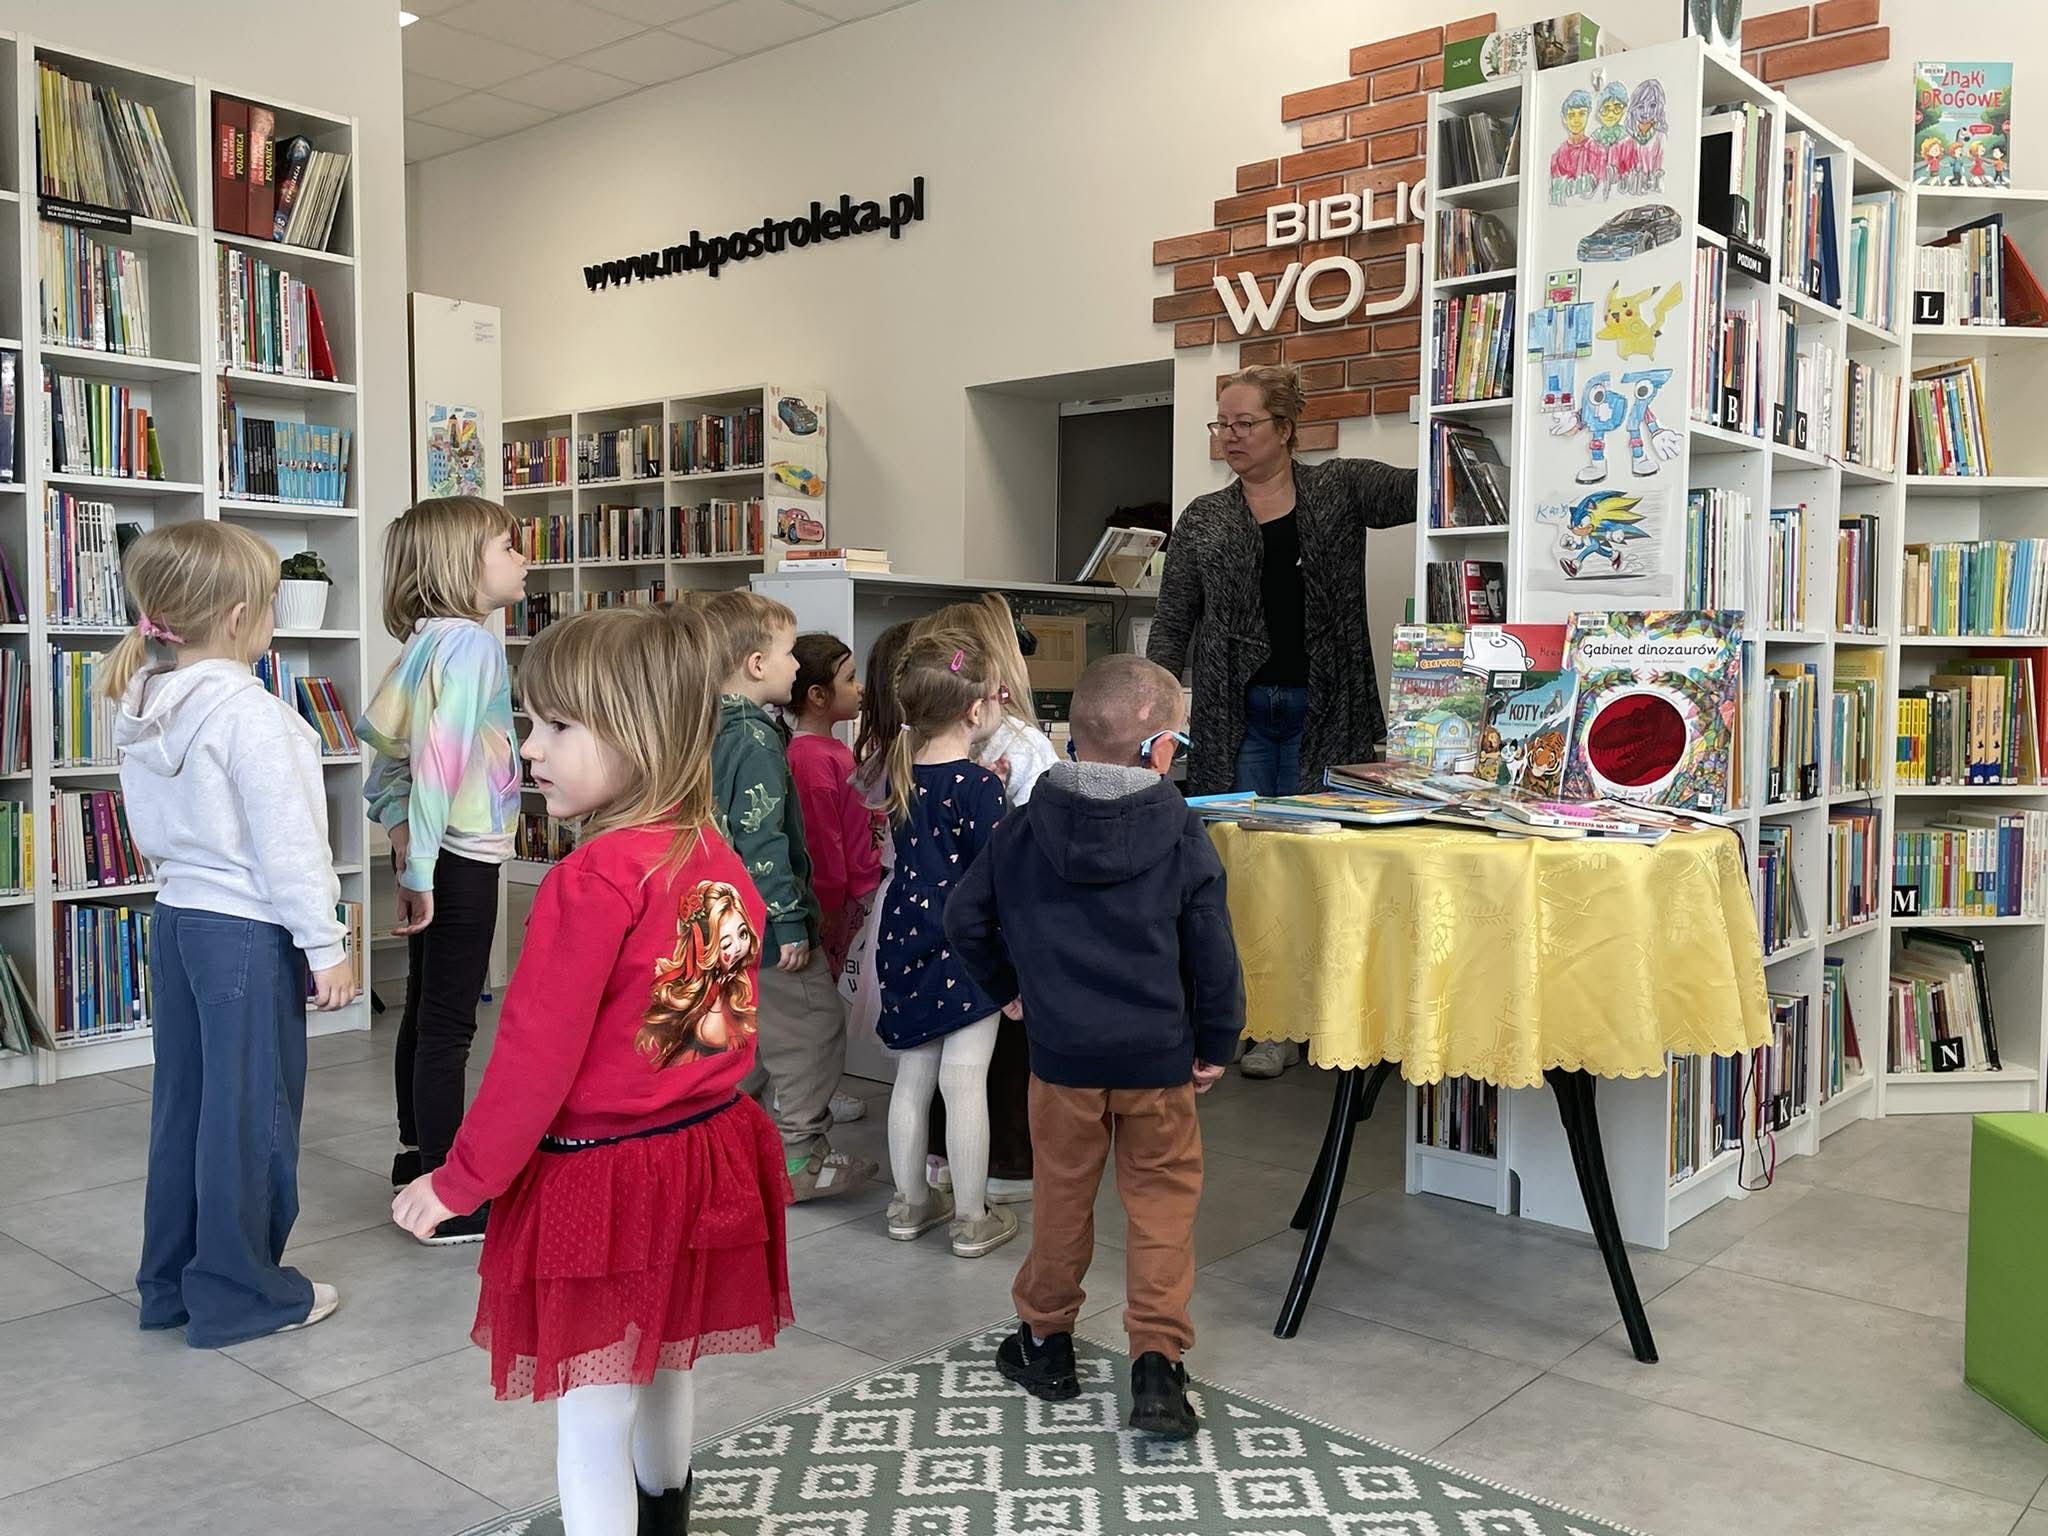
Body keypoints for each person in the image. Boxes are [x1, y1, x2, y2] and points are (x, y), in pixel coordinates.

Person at [392, 606, 790, 1536]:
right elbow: (718, 1024)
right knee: (667, 1358)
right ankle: (666, 1518)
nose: (530, 748)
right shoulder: (715, 857)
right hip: (704, 1153)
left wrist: (459, 1180)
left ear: (642, 733)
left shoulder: (593, 879)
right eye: (531, 723)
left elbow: (531, 1062)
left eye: (558, 726)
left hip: (608, 1178)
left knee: (592, 1403)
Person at [944, 654, 1243, 1438]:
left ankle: (1046, 1345)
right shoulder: (1181, 830)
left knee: (1062, 1199)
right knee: (1162, 1207)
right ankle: (1158, 1369)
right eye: (1179, 738)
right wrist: (1217, 1040)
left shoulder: (1023, 826)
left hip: (1062, 1062)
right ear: (1157, 749)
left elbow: (963, 917)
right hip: (1158, 1062)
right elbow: (1212, 948)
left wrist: (1007, 986)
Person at [111, 522, 361, 1346]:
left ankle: (171, 1284)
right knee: (252, 1117)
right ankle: (240, 1294)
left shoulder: (143, 705)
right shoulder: (255, 717)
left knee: (185, 1108)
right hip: (246, 935)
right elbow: (289, 846)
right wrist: (325, 944)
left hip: (177, 921)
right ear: (242, 616)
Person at [1146, 363, 1414, 1078]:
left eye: (1245, 423)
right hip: (1235, 721)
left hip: (1326, 714)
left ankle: (1293, 1023)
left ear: (1287, 428)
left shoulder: (1340, 488)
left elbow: (1424, 489)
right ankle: (1236, 1014)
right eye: (1221, 424)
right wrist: (1157, 706)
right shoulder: (1205, 517)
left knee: (1312, 870)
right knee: (1234, 869)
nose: (1229, 436)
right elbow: (1173, 622)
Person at [360, 496, 528, 1240]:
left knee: (426, 1007)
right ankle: (448, 1192)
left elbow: (387, 771)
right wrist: (422, 868)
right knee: (451, 1024)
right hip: (461, 855)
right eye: (508, 547)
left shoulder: (425, 642)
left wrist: (406, 847)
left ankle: (415, 1155)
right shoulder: (472, 647)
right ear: (462, 565)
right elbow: (436, 763)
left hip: (436, 854)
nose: (523, 559)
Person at [700, 590, 877, 1201]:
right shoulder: (754, 739)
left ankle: (722, 1144)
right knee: (813, 1028)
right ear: (756, 664)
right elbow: (763, 838)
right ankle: (800, 1155)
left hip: (718, 916)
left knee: (743, 1033)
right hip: (769, 925)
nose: (796, 666)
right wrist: (791, 921)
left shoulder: (705, 726)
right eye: (787, 653)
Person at [873, 635, 1020, 1260]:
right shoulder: (979, 786)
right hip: (968, 941)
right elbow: (996, 876)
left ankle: (909, 1204)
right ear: (975, 710)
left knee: (913, 1075)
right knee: (965, 1080)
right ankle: (970, 1217)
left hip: (905, 933)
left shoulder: (901, 773)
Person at [911, 594, 1057, 1205]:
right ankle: (1003, 1167)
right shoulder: (1019, 741)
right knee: (995, 1054)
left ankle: (934, 1164)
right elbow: (1041, 835)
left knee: (928, 1056)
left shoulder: (910, 749)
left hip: (921, 920)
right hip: (999, 922)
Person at [785, 631, 880, 980]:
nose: (859, 687)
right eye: (850, 679)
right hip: (843, 901)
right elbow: (822, 843)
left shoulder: (833, 750)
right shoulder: (811, 760)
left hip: (861, 891)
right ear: (818, 695)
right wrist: (830, 905)